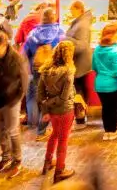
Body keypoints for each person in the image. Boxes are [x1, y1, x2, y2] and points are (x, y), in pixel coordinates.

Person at [0, 31, 25, 174]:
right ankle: (6, 157)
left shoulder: (16, 59)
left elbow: (23, 81)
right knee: (1, 131)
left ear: (4, 45)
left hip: (10, 102)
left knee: (13, 131)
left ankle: (17, 160)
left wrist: (16, 99)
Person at [40, 40, 78, 181]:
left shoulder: (45, 70)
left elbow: (40, 94)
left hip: (52, 112)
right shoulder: (68, 72)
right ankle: (60, 170)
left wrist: (46, 107)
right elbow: (63, 98)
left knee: (54, 134)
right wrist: (53, 102)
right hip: (65, 110)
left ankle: (47, 162)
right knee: (63, 139)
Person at [23, 7, 65, 134]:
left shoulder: (33, 33)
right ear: (54, 18)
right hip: (54, 70)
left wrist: (28, 69)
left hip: (37, 69)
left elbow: (24, 53)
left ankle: (33, 123)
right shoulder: (60, 32)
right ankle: (45, 126)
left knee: (36, 95)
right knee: (52, 96)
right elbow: (65, 53)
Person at [92, 22, 117, 140]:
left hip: (100, 84)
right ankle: (112, 132)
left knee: (105, 108)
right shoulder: (116, 51)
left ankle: (107, 130)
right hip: (113, 85)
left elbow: (94, 67)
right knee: (113, 108)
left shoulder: (97, 49)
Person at [64, 1, 94, 127]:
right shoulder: (80, 23)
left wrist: (66, 39)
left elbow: (81, 46)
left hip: (79, 64)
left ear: (79, 10)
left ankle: (80, 116)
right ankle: (80, 115)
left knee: (78, 90)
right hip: (80, 63)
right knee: (79, 89)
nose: (71, 12)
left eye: (72, 10)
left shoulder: (82, 25)